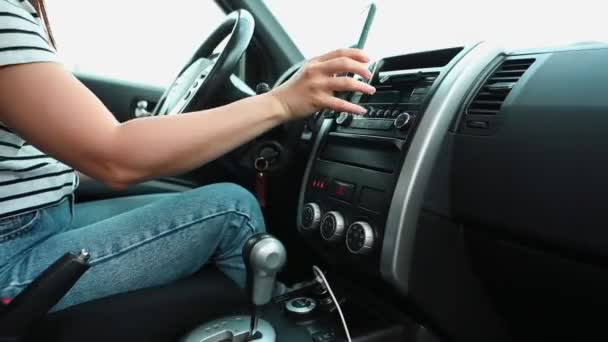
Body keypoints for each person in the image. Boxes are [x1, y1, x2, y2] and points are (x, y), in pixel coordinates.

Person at [0, 0, 375, 311]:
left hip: (31, 225)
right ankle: (265, 324)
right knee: (233, 210)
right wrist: (280, 102)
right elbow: (115, 157)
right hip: (11, 258)